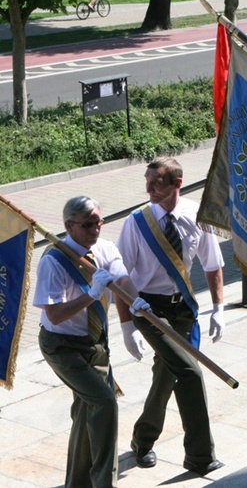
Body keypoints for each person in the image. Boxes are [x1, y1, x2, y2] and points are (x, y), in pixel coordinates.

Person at [115, 156, 225, 476]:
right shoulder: (137, 223)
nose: (149, 188)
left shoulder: (195, 215)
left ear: (177, 183)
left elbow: (213, 263)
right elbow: (119, 277)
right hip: (147, 309)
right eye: (147, 182)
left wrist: (218, 308)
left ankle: (142, 439)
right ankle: (200, 456)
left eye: (157, 183)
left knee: (167, 374)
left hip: (183, 309)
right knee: (190, 371)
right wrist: (126, 326)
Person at [34, 196, 150, 488]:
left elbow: (122, 280)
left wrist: (136, 301)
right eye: (88, 225)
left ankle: (77, 483)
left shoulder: (104, 248)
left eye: (99, 222)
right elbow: (56, 315)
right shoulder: (54, 260)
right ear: (69, 226)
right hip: (61, 346)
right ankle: (103, 483)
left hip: (94, 343)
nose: (95, 229)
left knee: (87, 409)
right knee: (103, 402)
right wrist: (91, 294)